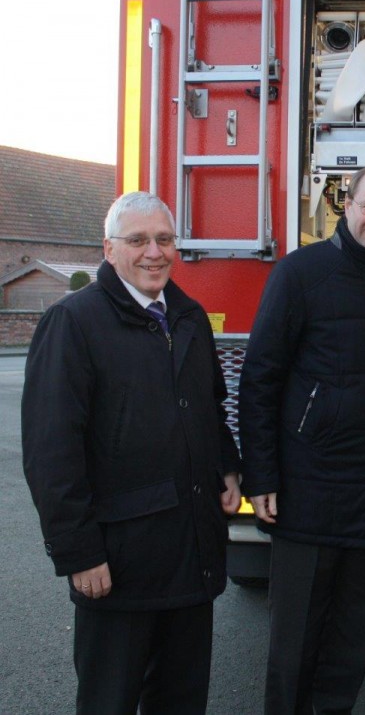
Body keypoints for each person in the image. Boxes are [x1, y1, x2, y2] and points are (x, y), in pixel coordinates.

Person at [21, 191, 242, 714]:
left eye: (164, 240)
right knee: (109, 701)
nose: (154, 252)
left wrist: (226, 466)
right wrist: (79, 553)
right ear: (109, 249)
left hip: (190, 553)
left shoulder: (187, 317)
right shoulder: (74, 323)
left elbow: (209, 404)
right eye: (138, 240)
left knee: (181, 699)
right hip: (119, 565)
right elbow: (51, 453)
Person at [239, 165, 365, 713]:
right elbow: (260, 378)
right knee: (295, 642)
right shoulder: (300, 273)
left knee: (351, 638)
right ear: (348, 203)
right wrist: (263, 476)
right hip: (307, 490)